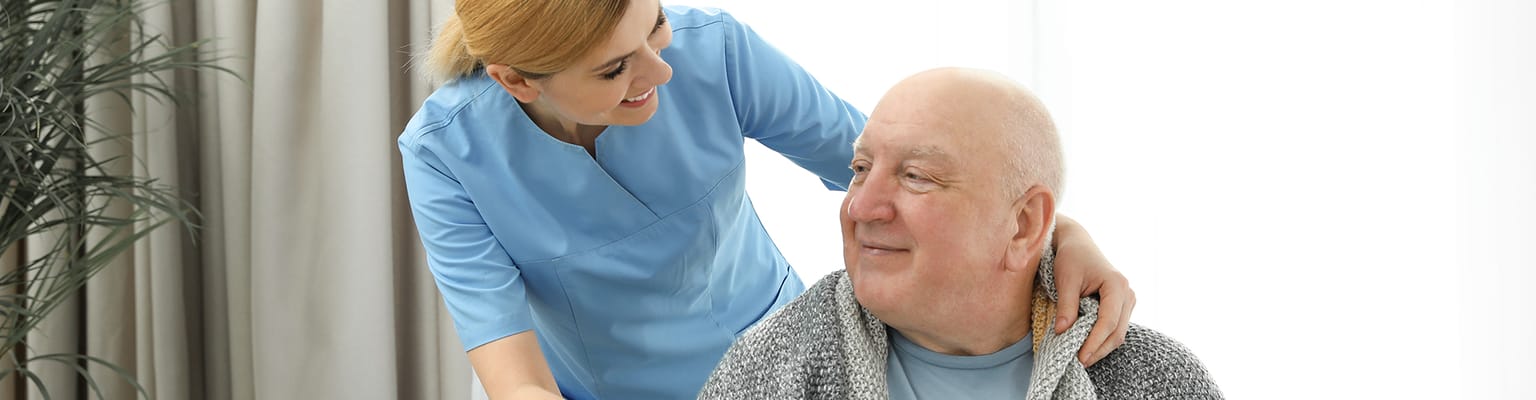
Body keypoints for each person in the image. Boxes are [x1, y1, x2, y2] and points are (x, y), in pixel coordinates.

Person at [399, 1, 1137, 398]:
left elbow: (888, 171)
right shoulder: (446, 155)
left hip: (788, 366)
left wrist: (1052, 231)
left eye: (655, 25)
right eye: (615, 68)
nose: (660, 70)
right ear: (517, 82)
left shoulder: (712, 49)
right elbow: (514, 374)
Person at [698, 68, 1222, 399]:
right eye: (860, 168)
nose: (860, 205)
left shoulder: (1152, 381)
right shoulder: (769, 369)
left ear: (1023, 225)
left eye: (915, 177)